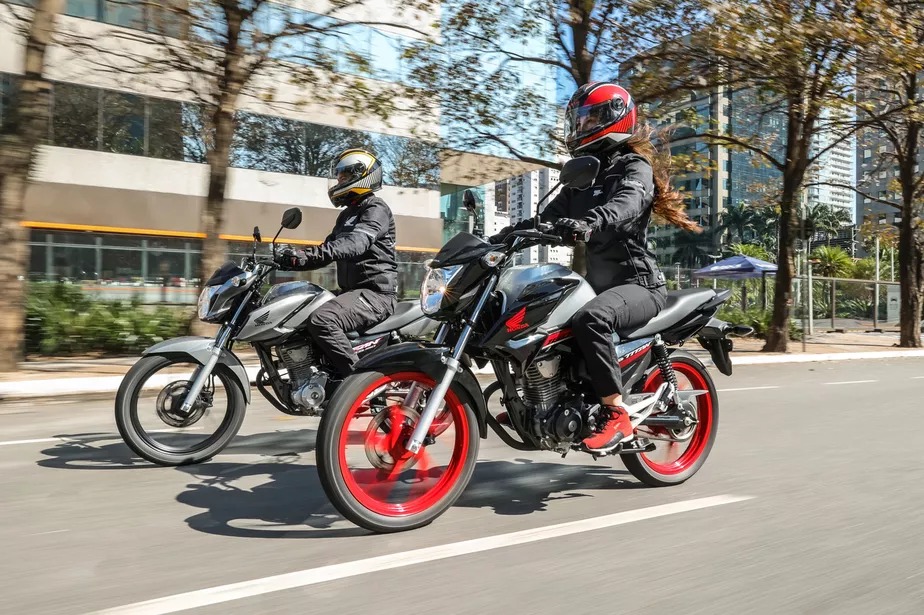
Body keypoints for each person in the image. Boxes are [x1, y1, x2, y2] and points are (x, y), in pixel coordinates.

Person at [490, 82, 700, 452]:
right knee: (540, 319)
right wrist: (501, 238)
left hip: (639, 285)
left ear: (616, 118)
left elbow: (628, 204)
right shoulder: (580, 179)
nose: (581, 127)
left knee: (592, 320)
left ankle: (616, 414)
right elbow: (544, 220)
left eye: (590, 119)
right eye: (579, 120)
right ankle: (543, 401)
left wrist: (591, 221)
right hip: (598, 285)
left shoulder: (634, 167)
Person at [275, 148, 398, 377]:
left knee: (323, 319)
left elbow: (357, 242)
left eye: (344, 176)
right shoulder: (346, 215)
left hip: (376, 295)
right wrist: (290, 260)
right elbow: (327, 249)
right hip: (352, 292)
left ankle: (356, 384)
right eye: (339, 176)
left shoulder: (375, 208)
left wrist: (303, 256)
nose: (339, 181)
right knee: (299, 310)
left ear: (362, 175)